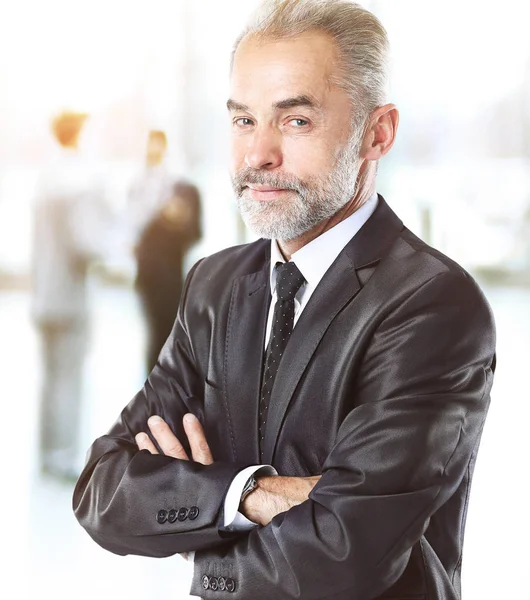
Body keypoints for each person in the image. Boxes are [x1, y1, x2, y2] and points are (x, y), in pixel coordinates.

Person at [73, 1, 496, 598]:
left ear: (378, 133)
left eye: (296, 121)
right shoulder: (213, 286)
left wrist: (202, 517)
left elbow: (347, 551)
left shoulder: (433, 305)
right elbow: (102, 489)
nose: (258, 155)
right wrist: (251, 492)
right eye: (244, 120)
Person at [33, 109, 109, 480]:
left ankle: (47, 452)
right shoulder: (77, 180)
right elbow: (86, 243)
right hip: (70, 297)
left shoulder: (45, 179)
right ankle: (63, 455)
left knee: (50, 378)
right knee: (68, 377)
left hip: (43, 296)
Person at [134, 179, 202, 373]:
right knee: (158, 338)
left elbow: (195, 233)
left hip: (172, 288)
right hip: (153, 288)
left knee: (170, 339)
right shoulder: (155, 226)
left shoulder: (181, 228)